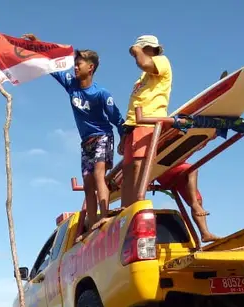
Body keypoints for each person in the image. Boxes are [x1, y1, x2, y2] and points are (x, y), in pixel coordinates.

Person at [22, 33, 125, 233]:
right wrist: (36, 45)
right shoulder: (71, 84)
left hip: (103, 136)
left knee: (98, 175)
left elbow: (116, 117)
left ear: (91, 67)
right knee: (87, 185)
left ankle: (103, 217)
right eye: (74, 64)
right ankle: (93, 222)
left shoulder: (101, 93)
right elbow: (51, 65)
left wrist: (124, 137)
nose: (75, 67)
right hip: (85, 142)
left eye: (79, 64)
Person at [120, 35, 219, 242]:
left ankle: (136, 210)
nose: (135, 55)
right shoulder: (141, 79)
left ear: (148, 48)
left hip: (148, 122)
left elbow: (144, 62)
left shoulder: (160, 62)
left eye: (139, 49)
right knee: (129, 170)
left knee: (140, 167)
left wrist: (136, 49)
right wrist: (124, 135)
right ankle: (126, 212)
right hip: (134, 124)